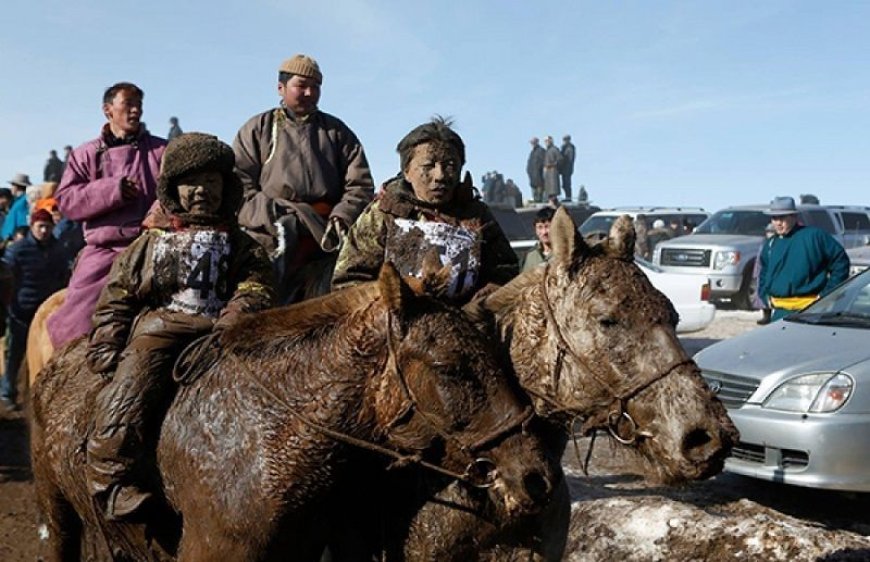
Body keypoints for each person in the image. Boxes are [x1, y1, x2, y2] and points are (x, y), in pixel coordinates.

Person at [85, 133, 275, 520]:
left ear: (227, 187)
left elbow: (257, 284)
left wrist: (237, 313)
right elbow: (118, 294)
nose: (202, 190)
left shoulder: (241, 244)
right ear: (173, 189)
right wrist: (107, 343)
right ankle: (111, 482)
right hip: (159, 334)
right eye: (191, 182)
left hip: (223, 337)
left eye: (212, 181)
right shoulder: (151, 243)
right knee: (128, 392)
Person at [233, 53, 374, 303]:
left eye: (315, 87)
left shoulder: (337, 132)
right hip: (272, 229)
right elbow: (238, 185)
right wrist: (273, 214)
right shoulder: (258, 129)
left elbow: (359, 185)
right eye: (302, 86)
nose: (309, 93)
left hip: (327, 230)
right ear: (281, 88)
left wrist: (342, 215)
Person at [332, 117, 518, 302]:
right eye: (428, 166)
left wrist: (482, 301)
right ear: (407, 171)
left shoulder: (477, 215)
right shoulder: (384, 213)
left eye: (450, 165)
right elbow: (349, 281)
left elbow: (505, 271)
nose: (440, 176)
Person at [47, 82, 167, 349]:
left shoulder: (161, 151)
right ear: (108, 110)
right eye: (128, 104)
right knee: (75, 322)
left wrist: (157, 215)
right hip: (104, 250)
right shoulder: (85, 154)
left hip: (152, 246)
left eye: (139, 105)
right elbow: (66, 200)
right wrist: (112, 190)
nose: (136, 111)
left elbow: (172, 193)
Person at [0, 209, 68, 411]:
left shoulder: (59, 250)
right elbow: (8, 279)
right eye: (41, 226)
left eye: (48, 226)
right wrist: (11, 304)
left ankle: (44, 395)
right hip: (22, 311)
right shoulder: (18, 250)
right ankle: (7, 392)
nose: (45, 230)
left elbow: (63, 276)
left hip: (48, 313)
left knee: (47, 357)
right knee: (16, 354)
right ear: (32, 226)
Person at [758, 196, 850, 322]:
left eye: (782, 218)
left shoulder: (814, 236)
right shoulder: (771, 244)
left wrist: (826, 295)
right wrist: (764, 295)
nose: (778, 223)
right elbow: (764, 271)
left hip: (811, 311)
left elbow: (841, 262)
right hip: (779, 312)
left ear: (794, 217)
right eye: (774, 218)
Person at [752, 224, 776, 325]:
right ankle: (766, 316)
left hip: (772, 273)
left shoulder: (777, 244)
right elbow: (759, 260)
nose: (769, 234)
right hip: (762, 272)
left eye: (771, 232)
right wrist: (756, 272)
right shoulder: (764, 245)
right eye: (768, 232)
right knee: (762, 295)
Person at [521, 207, 555, 272]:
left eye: (548, 227)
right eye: (540, 227)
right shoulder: (530, 255)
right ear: (535, 229)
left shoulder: (564, 254)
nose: (544, 232)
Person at [1, 174, 32, 241]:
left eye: (12, 185)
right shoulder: (18, 201)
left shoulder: (23, 201)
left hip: (12, 240)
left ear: (17, 187)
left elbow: (23, 222)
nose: (11, 188)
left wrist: (20, 237)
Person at [542, 136, 562, 201]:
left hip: (553, 170)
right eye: (545, 141)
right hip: (547, 171)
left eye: (547, 141)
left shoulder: (555, 149)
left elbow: (560, 159)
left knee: (553, 188)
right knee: (548, 189)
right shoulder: (547, 151)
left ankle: (554, 200)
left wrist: (553, 165)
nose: (546, 142)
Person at [526, 137, 545, 203]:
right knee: (534, 192)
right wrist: (528, 171)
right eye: (531, 143)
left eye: (533, 142)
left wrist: (539, 170)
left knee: (539, 192)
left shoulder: (541, 150)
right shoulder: (532, 153)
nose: (532, 144)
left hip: (539, 175)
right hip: (532, 176)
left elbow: (543, 162)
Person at [559, 134, 576, 201]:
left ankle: (568, 198)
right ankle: (568, 197)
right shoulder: (564, 147)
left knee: (567, 184)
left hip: (567, 169)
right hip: (564, 169)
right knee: (565, 184)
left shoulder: (569, 148)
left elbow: (569, 159)